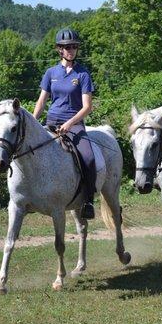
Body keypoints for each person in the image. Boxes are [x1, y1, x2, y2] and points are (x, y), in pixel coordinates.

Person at [33, 28, 96, 219]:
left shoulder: (83, 74)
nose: (71, 50)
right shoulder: (51, 72)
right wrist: (34, 122)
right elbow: (42, 101)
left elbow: (87, 107)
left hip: (74, 125)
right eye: (67, 47)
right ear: (59, 49)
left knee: (89, 158)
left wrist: (69, 123)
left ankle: (88, 201)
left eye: (74, 46)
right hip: (51, 122)